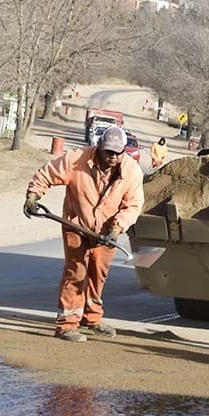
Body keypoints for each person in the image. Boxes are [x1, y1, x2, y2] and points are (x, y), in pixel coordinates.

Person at [23, 126, 145, 342]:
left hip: (107, 231)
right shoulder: (77, 159)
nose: (112, 157)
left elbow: (133, 205)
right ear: (99, 147)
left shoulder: (132, 171)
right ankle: (67, 325)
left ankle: (92, 318)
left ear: (123, 152)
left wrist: (117, 229)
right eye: (108, 152)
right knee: (76, 272)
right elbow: (47, 173)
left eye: (117, 153)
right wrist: (33, 195)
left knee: (98, 275)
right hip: (76, 224)